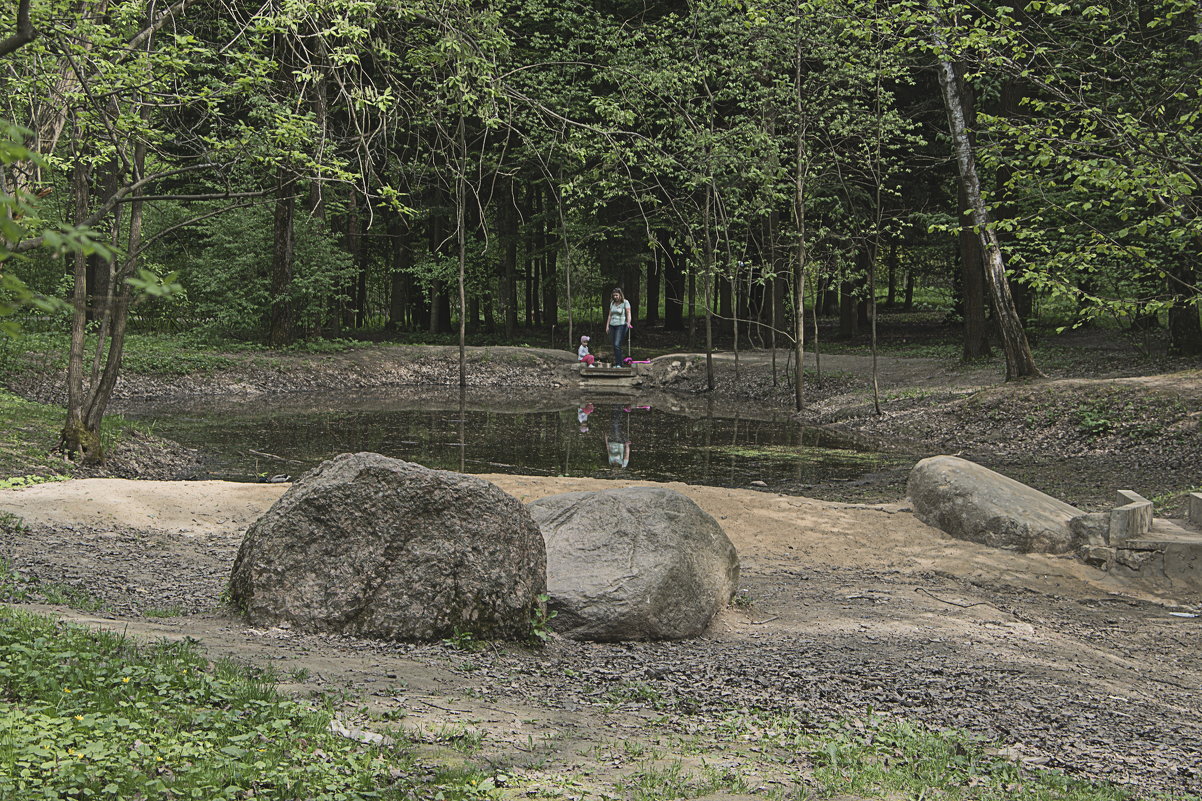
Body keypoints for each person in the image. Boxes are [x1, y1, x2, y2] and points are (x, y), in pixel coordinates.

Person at [605, 287, 633, 367]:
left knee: (617, 344)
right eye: (614, 295)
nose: (615, 297)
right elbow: (609, 315)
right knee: (615, 345)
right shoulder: (612, 303)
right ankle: (619, 362)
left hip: (621, 325)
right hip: (612, 325)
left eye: (616, 295)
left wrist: (628, 322)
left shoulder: (625, 302)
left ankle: (619, 364)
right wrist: (607, 326)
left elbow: (628, 313)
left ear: (620, 295)